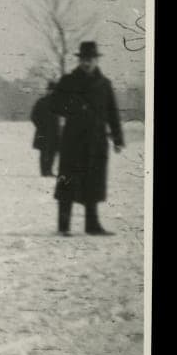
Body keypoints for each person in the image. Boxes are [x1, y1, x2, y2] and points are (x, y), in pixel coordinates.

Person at [52, 41, 125, 236]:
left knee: (94, 182)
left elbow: (112, 113)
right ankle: (63, 226)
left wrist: (117, 138)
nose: (87, 63)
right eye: (84, 59)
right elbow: (55, 105)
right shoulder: (67, 81)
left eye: (90, 59)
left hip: (96, 141)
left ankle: (92, 226)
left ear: (96, 60)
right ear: (79, 60)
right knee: (68, 181)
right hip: (73, 141)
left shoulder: (105, 84)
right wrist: (74, 107)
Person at [30, 81, 60, 177]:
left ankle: (49, 171)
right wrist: (40, 126)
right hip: (43, 131)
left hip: (55, 132)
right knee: (44, 152)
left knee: (52, 152)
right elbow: (33, 116)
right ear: (48, 91)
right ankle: (44, 172)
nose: (52, 92)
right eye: (50, 90)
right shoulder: (41, 102)